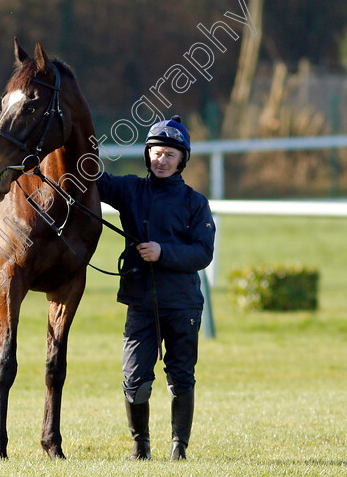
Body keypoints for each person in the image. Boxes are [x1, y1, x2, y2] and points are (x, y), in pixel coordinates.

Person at [95, 115, 215, 461]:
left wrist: (163, 252)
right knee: (134, 381)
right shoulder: (130, 189)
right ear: (148, 155)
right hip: (141, 303)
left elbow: (203, 253)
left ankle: (179, 449)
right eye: (156, 153)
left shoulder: (196, 203)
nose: (161, 160)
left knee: (181, 378)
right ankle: (141, 448)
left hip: (183, 305)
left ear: (182, 160)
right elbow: (95, 180)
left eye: (169, 155)